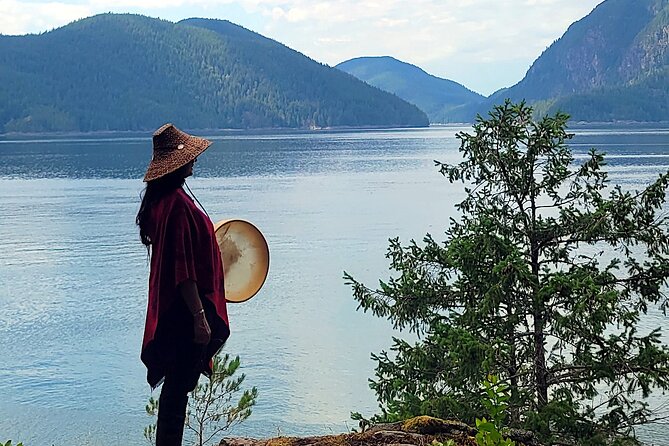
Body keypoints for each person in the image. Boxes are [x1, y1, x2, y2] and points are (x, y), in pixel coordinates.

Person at [136, 123, 230, 446]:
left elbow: (185, 250)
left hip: (176, 309)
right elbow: (183, 269)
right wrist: (199, 317)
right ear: (176, 164)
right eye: (189, 156)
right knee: (177, 389)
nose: (195, 159)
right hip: (185, 311)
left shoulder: (164, 201)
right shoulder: (175, 205)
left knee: (177, 389)